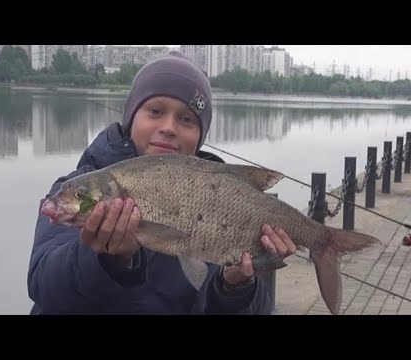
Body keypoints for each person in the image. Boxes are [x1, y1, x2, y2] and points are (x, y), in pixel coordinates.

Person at [27, 51, 297, 315]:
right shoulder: (79, 186)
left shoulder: (221, 197)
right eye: (155, 111)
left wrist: (234, 285)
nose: (169, 127)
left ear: (200, 136)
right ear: (131, 118)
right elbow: (44, 287)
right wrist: (107, 259)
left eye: (186, 119)